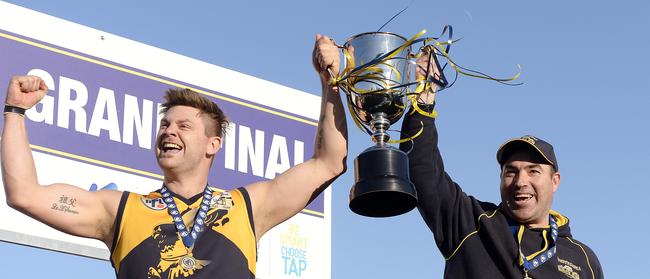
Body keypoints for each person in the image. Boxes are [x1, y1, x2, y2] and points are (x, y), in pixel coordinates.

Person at [2, 34, 347, 279]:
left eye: (184, 126)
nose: (169, 131)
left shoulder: (248, 207)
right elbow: (25, 195)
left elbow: (329, 162)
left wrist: (330, 80)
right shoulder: (119, 209)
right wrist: (15, 111)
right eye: (165, 124)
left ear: (213, 145)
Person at [399, 51, 604, 278]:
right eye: (511, 171)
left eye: (533, 171)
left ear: (555, 181)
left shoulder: (583, 259)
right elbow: (421, 170)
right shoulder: (470, 223)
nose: (520, 182)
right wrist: (424, 98)